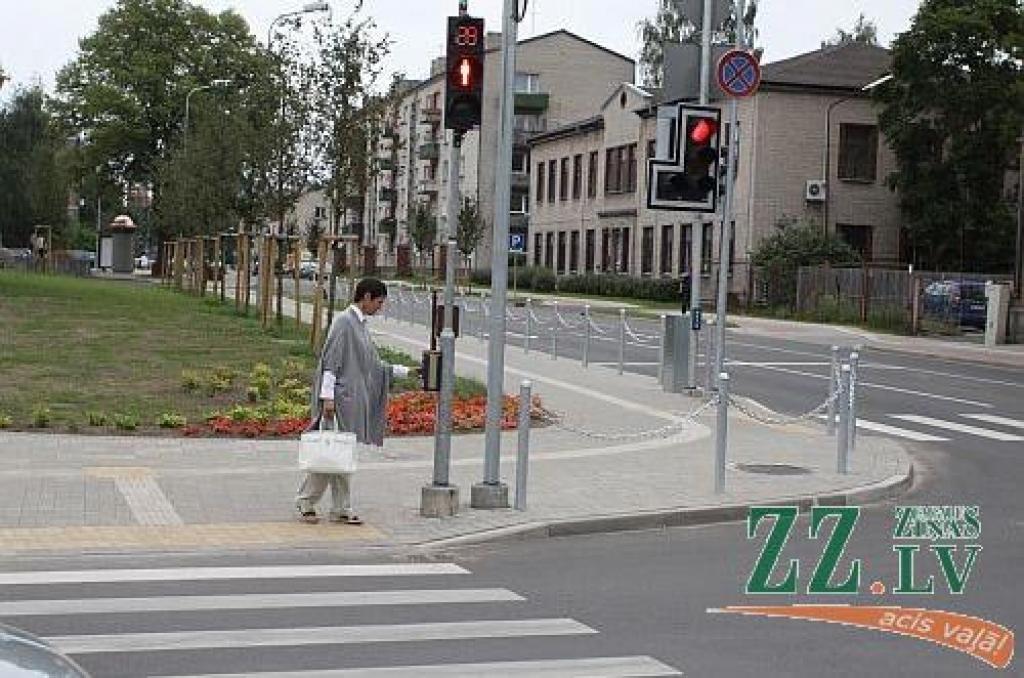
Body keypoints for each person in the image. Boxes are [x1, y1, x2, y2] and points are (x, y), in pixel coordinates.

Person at [296, 278, 417, 524]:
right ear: (367, 297)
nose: (380, 308)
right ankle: (308, 501)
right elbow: (331, 362)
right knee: (332, 452)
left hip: (350, 400)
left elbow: (373, 364)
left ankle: (337, 507)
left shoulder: (360, 325)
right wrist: (328, 398)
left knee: (341, 454)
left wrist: (405, 371)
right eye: (379, 302)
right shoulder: (344, 323)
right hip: (340, 401)